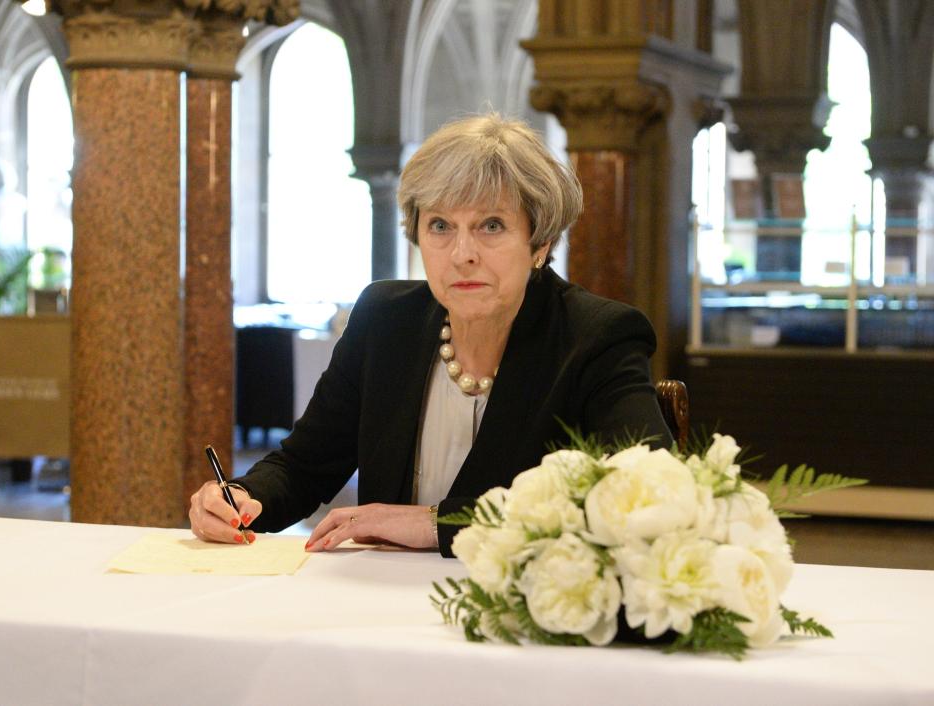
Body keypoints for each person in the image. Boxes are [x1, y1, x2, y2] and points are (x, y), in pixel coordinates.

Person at [189, 113, 671, 557]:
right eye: (440, 225)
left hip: (519, 614)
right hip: (380, 610)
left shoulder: (596, 337)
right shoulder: (384, 320)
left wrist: (437, 524)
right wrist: (243, 497)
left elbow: (642, 497)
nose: (462, 253)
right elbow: (303, 466)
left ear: (540, 242)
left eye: (491, 226)